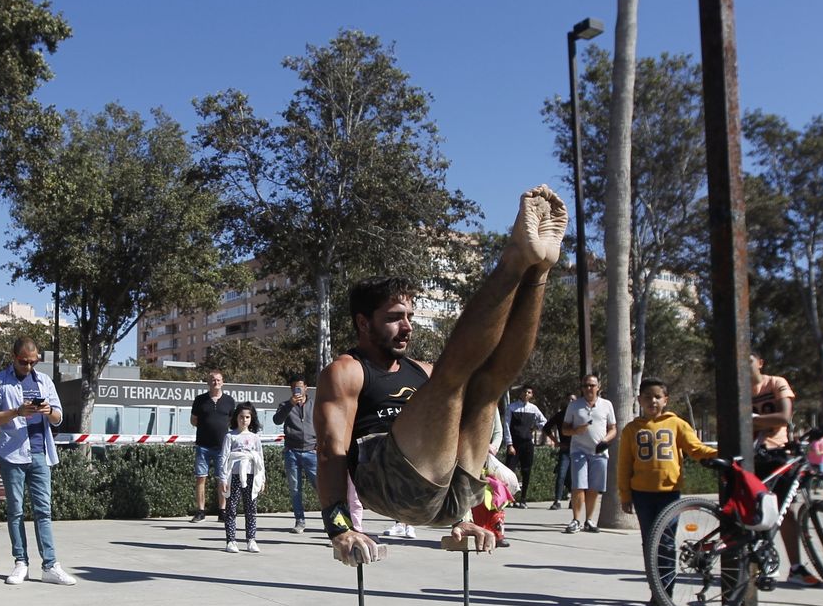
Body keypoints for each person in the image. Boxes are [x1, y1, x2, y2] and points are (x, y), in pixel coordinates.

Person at [314, 185, 567, 565]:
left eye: (410, 318)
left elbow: (455, 432)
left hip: (448, 492)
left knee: (488, 388)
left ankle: (538, 270)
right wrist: (339, 527)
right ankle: (514, 260)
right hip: (387, 483)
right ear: (363, 323)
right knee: (453, 381)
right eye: (394, 318)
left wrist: (464, 518)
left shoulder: (422, 371)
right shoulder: (347, 371)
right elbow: (330, 453)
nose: (407, 327)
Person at [0, 337, 76, 585]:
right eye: (24, 362)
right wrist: (16, 412)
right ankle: (20, 563)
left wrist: (49, 412)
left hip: (40, 453)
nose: (28, 367)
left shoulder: (44, 381)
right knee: (15, 511)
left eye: (33, 362)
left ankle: (50, 565)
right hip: (12, 454)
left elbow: (58, 417)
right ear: (14, 357)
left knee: (43, 511)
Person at [618, 377, 717, 597]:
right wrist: (625, 494)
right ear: (639, 400)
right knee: (649, 543)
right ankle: (656, 591)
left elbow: (696, 449)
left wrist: (719, 454)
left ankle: (666, 592)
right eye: (647, 397)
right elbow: (624, 464)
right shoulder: (631, 429)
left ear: (665, 400)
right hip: (641, 495)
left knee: (667, 543)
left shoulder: (677, 424)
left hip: (669, 494)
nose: (652, 401)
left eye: (657, 397)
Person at [750, 352, 808, 584]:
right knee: (757, 513)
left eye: (749, 361)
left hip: (777, 454)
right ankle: (764, 561)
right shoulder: (739, 390)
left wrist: (750, 419)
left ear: (760, 363)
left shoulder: (776, 382)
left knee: (786, 512)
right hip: (752, 457)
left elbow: (784, 417)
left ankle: (796, 566)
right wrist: (761, 420)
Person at [562, 374, 616, 534]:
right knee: (578, 486)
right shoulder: (574, 406)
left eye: (592, 385)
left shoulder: (606, 405)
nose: (588, 388)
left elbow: (613, 428)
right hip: (579, 451)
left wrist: (605, 440)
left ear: (598, 387)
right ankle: (576, 520)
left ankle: (589, 520)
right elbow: (564, 429)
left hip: (599, 453)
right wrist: (575, 430)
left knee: (594, 488)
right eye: (585, 386)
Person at [189, 370, 236, 523]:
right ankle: (201, 511)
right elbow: (193, 420)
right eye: (213, 380)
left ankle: (222, 511)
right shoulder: (200, 400)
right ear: (208, 382)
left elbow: (231, 421)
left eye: (218, 380)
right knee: (200, 478)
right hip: (203, 446)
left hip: (222, 447)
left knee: (222, 479)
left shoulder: (229, 401)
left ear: (222, 382)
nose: (216, 382)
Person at [272, 378, 318, 532]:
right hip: (292, 452)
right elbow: (277, 420)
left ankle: (329, 521)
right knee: (295, 489)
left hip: (312, 451)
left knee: (322, 489)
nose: (297, 390)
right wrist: (290, 404)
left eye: (300, 387)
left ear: (306, 388)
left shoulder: (314, 405)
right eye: (294, 388)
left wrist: (319, 445)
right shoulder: (285, 405)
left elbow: (323, 424)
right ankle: (300, 521)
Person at [222, 404, 265, 553]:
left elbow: (260, 458)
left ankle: (251, 540)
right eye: (241, 417)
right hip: (233, 475)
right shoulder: (230, 436)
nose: (244, 420)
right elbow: (224, 457)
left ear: (251, 419)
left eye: (247, 417)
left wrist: (262, 479)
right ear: (236, 418)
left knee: (251, 508)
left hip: (251, 475)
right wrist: (222, 479)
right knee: (231, 508)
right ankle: (231, 540)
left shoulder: (255, 438)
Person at [505, 384, 546, 507]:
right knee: (509, 471)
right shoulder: (511, 407)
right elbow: (506, 426)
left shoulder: (533, 409)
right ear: (520, 393)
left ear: (531, 395)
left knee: (526, 471)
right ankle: (509, 498)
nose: (526, 394)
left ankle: (523, 499)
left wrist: (535, 427)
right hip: (514, 444)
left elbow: (544, 421)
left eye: (529, 392)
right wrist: (509, 444)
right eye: (524, 392)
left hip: (528, 443)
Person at [544, 395, 575, 510]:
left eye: (573, 399)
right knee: (561, 475)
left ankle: (574, 499)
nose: (571, 401)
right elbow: (546, 428)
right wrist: (556, 442)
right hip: (565, 450)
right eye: (569, 399)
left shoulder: (578, 414)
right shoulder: (560, 415)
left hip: (577, 450)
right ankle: (557, 500)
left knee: (573, 477)